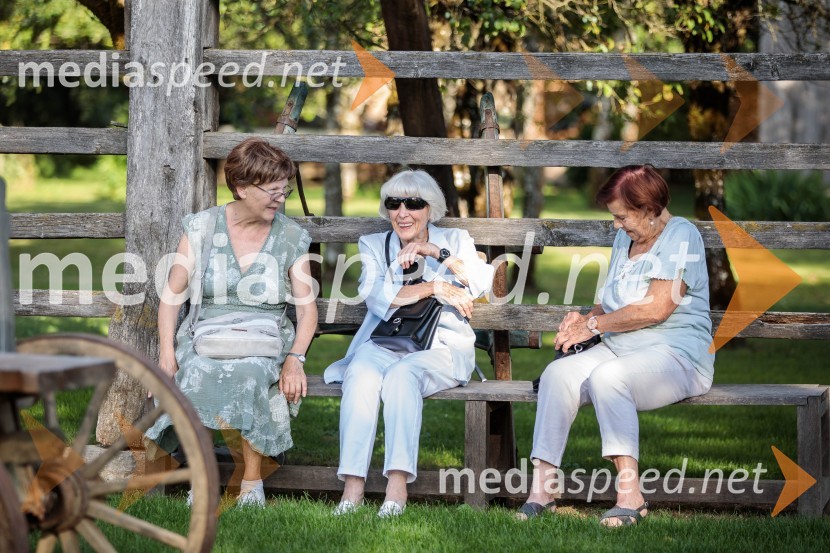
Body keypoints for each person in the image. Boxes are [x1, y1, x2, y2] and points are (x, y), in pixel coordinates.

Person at [518, 165, 714, 526]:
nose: (615, 224)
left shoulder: (681, 235)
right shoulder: (625, 239)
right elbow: (608, 302)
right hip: (621, 348)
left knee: (609, 377)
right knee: (557, 374)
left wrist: (594, 326)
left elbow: (657, 308)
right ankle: (542, 491)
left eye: (621, 216)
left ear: (649, 208)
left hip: (677, 355)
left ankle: (631, 496)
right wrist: (581, 321)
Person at [146, 138, 317, 507]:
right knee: (193, 374)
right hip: (205, 333)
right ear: (241, 188)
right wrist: (165, 354)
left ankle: (251, 485)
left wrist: (295, 358)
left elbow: (307, 309)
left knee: (253, 374)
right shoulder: (202, 227)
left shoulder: (290, 237)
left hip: (264, 338)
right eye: (272, 191)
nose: (280, 199)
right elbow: (172, 295)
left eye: (284, 191)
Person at [325, 170, 494, 518]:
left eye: (414, 203)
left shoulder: (456, 239)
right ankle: (352, 488)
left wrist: (438, 253)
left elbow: (478, 284)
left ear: (430, 209)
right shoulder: (374, 245)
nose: (403, 212)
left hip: (443, 348)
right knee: (361, 373)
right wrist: (433, 288)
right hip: (388, 341)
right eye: (394, 203)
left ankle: (396, 487)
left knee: (403, 376)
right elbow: (377, 298)